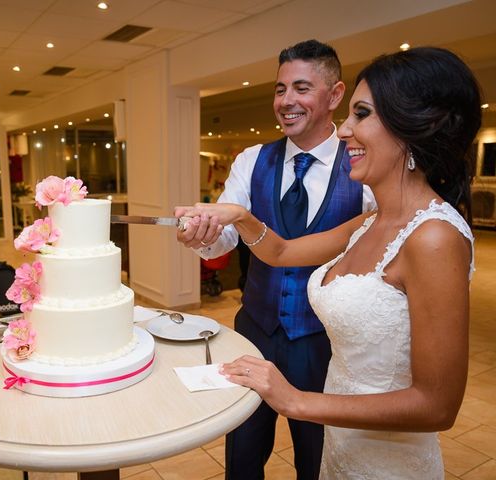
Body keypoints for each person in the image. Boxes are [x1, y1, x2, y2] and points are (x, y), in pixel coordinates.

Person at [176, 46, 481, 479]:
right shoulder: (371, 221)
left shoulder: (434, 236)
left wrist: (295, 400)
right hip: (342, 440)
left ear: (412, 127)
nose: (344, 132)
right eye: (280, 89)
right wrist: (237, 216)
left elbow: (437, 405)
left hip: (384, 456)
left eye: (362, 115)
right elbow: (281, 252)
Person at [178, 39, 374, 480]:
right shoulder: (252, 160)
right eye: (279, 89)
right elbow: (224, 237)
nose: (286, 101)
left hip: (325, 342)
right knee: (242, 453)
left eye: (301, 88)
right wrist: (201, 236)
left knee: (318, 456)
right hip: (256, 331)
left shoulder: (363, 166)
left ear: (335, 95)